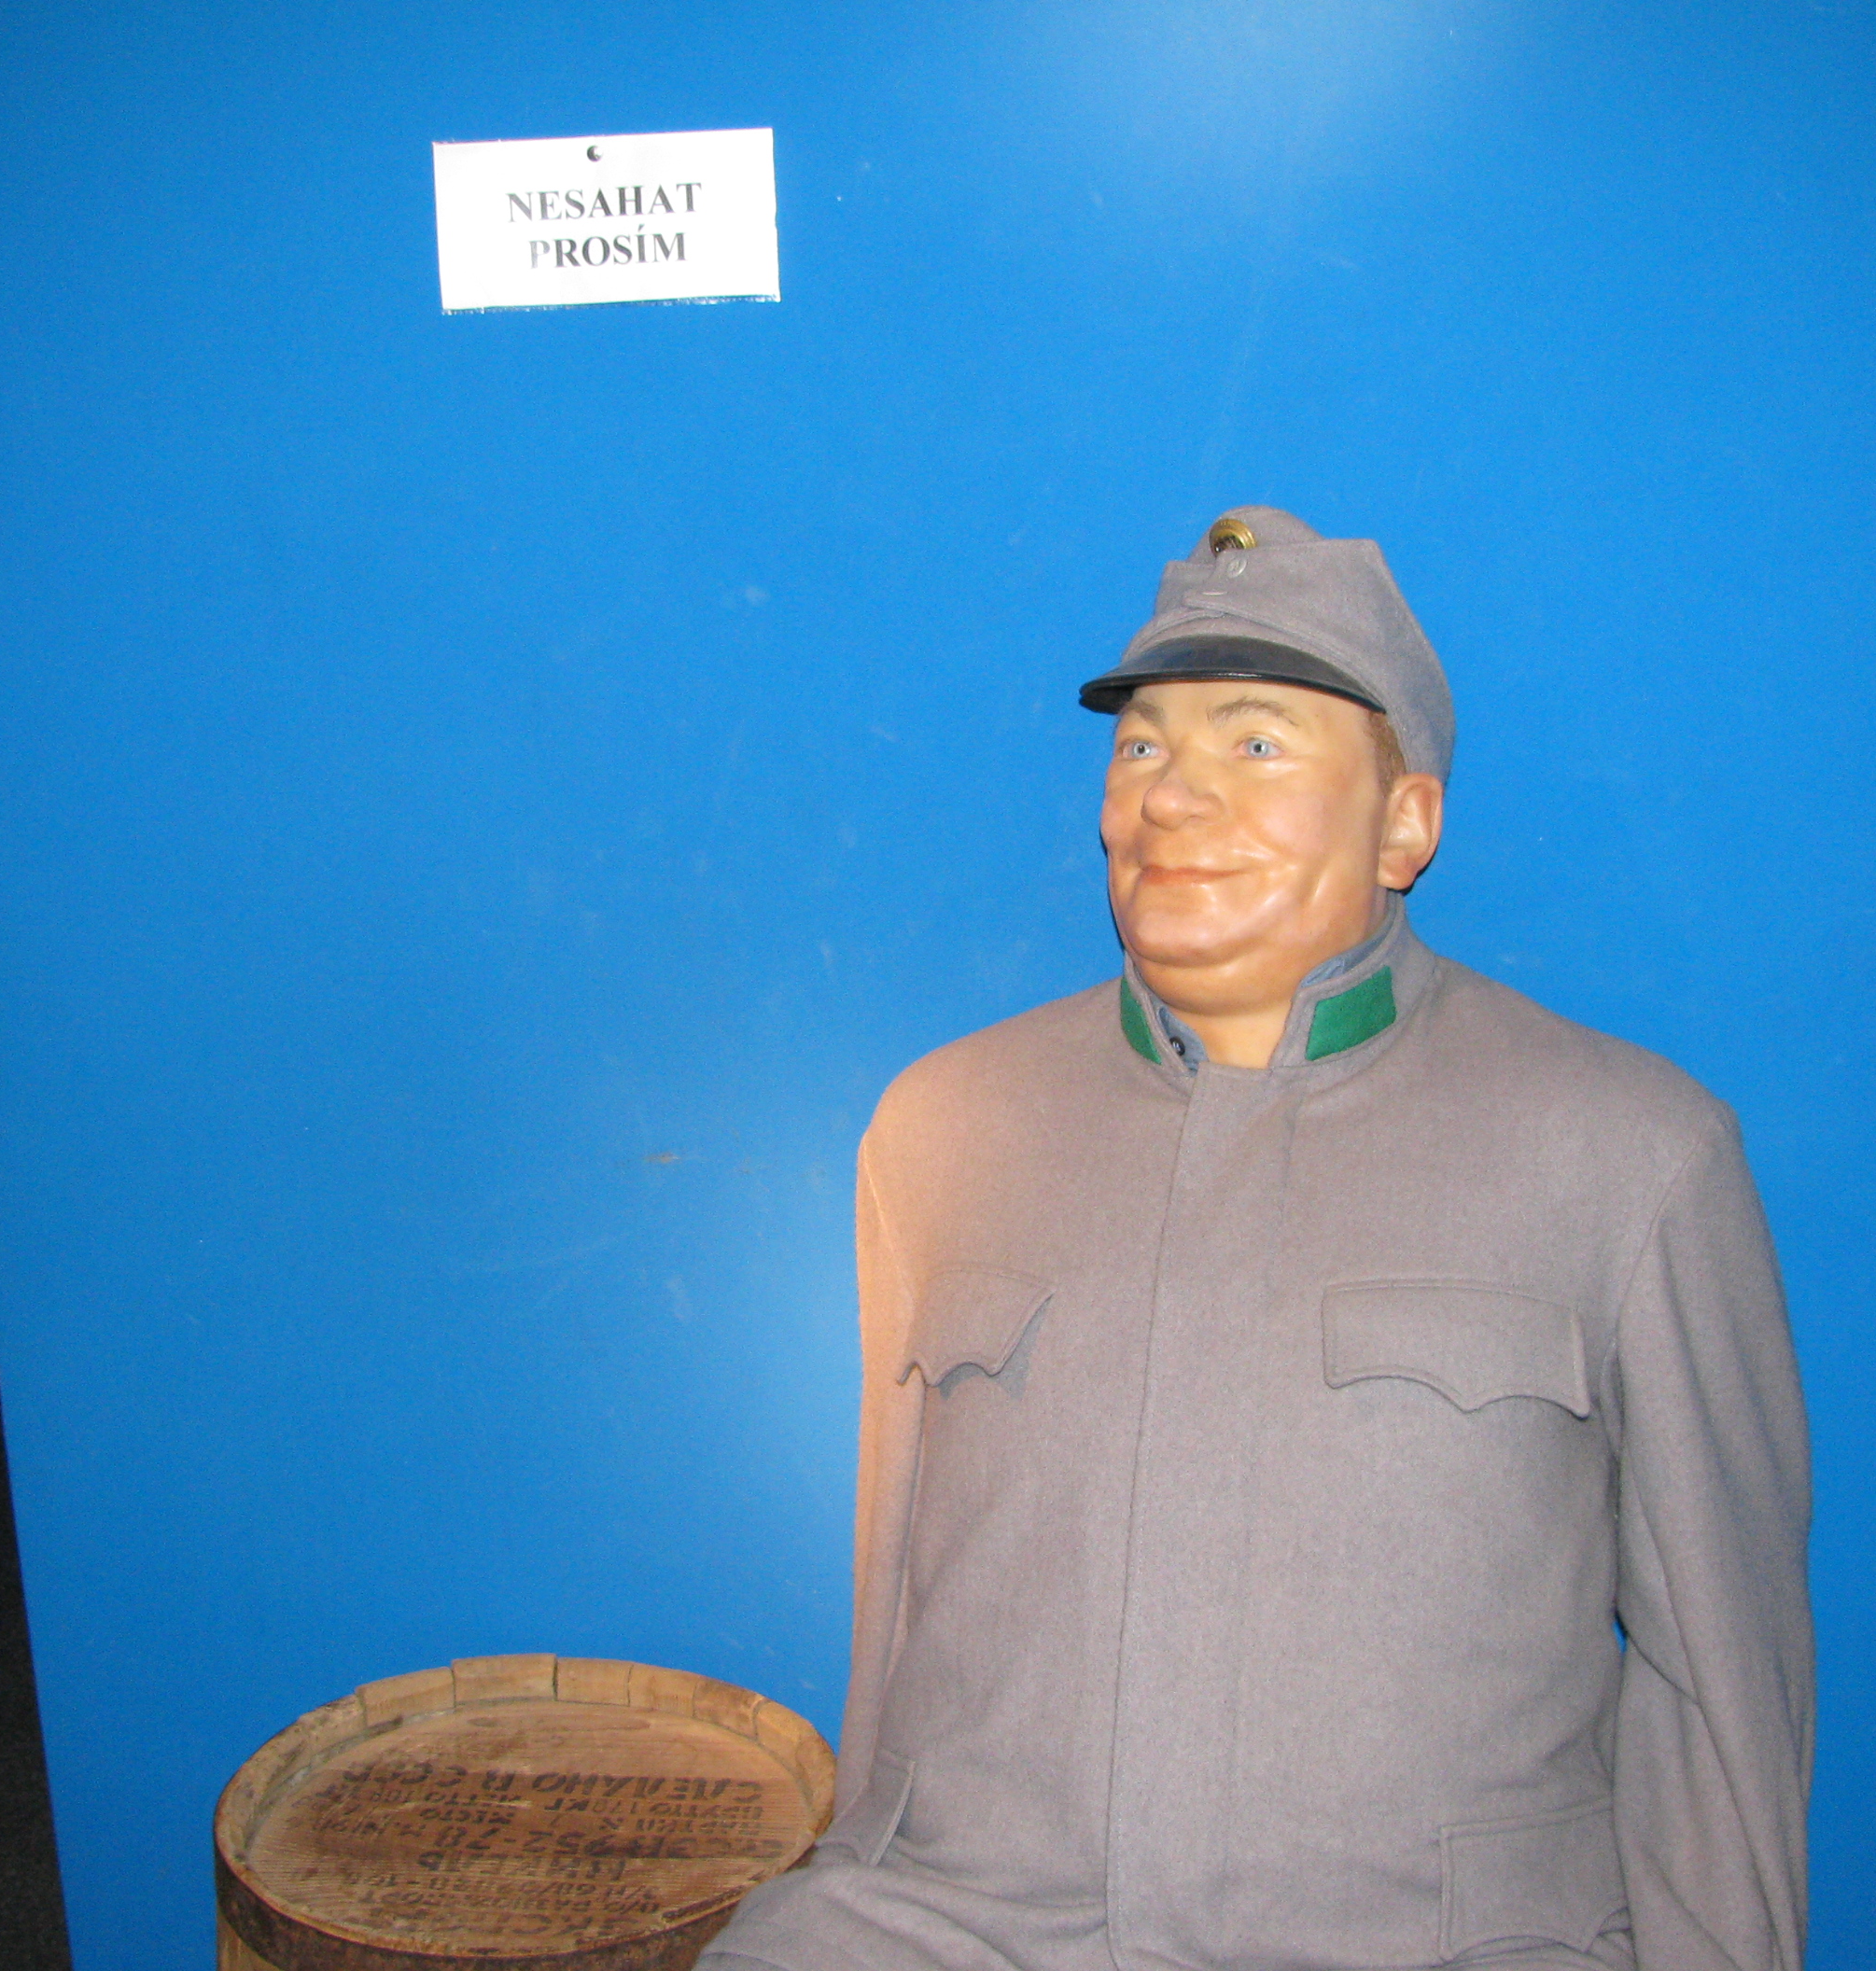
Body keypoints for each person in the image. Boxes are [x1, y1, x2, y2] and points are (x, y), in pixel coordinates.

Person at [705, 507, 1813, 1971]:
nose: (1170, 798)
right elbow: (895, 1602)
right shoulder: (945, 1130)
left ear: (1406, 824)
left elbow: (1723, 1686)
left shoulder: (1625, 1154)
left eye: (1258, 743)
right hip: (959, 1929)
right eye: (1141, 748)